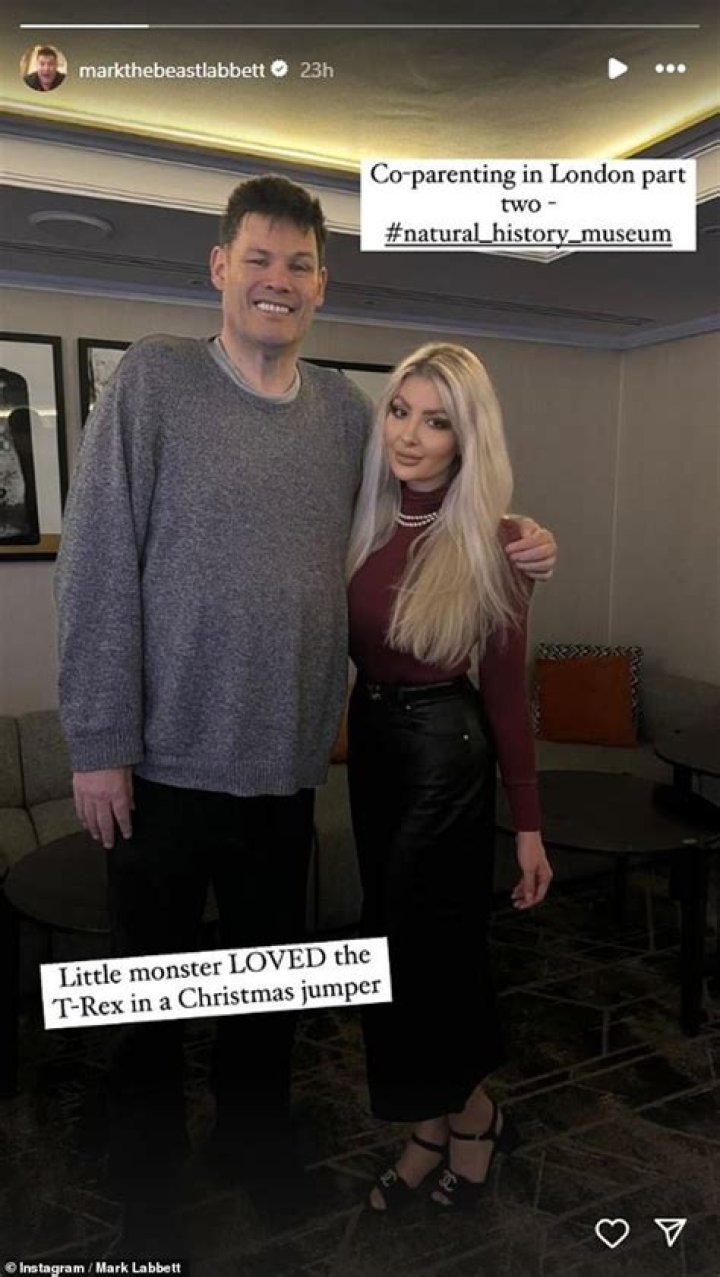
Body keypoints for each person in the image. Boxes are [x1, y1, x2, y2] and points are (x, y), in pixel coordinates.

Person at [54, 176, 557, 1200]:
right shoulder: (153, 380)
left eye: (298, 263)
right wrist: (97, 742)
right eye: (258, 258)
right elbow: (96, 562)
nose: (276, 280)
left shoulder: (342, 415)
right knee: (143, 997)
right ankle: (149, 1191)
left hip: (285, 772)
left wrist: (517, 532)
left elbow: (434, 482)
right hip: (161, 764)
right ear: (220, 268)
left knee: (266, 996)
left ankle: (256, 1156)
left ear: (322, 283)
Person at [346, 342, 553, 1212]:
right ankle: (432, 1124)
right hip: (373, 746)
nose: (409, 434)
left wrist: (529, 824)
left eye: (436, 422)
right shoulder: (360, 518)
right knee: (387, 950)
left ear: (466, 439)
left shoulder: (498, 542)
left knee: (430, 954)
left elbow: (505, 691)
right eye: (400, 411)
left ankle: (471, 1119)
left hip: (445, 753)